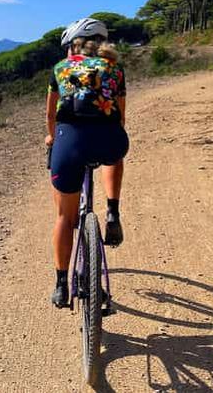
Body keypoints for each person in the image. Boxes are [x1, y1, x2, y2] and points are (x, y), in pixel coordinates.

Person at [46, 17, 129, 308]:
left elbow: (51, 118)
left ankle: (61, 285)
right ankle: (112, 211)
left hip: (69, 144)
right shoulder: (114, 68)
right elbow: (120, 116)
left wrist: (51, 138)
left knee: (64, 219)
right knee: (113, 155)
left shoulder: (60, 68)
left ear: (72, 46)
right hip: (110, 141)